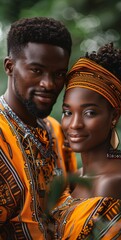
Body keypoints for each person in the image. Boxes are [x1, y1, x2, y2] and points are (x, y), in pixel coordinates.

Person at [0, 17, 77, 239]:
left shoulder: (56, 131)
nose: (49, 84)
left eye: (59, 74)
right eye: (36, 70)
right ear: (10, 66)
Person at [50, 43, 121, 239]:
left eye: (89, 113)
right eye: (68, 112)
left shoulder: (112, 183)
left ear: (113, 116)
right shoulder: (76, 177)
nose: (74, 124)